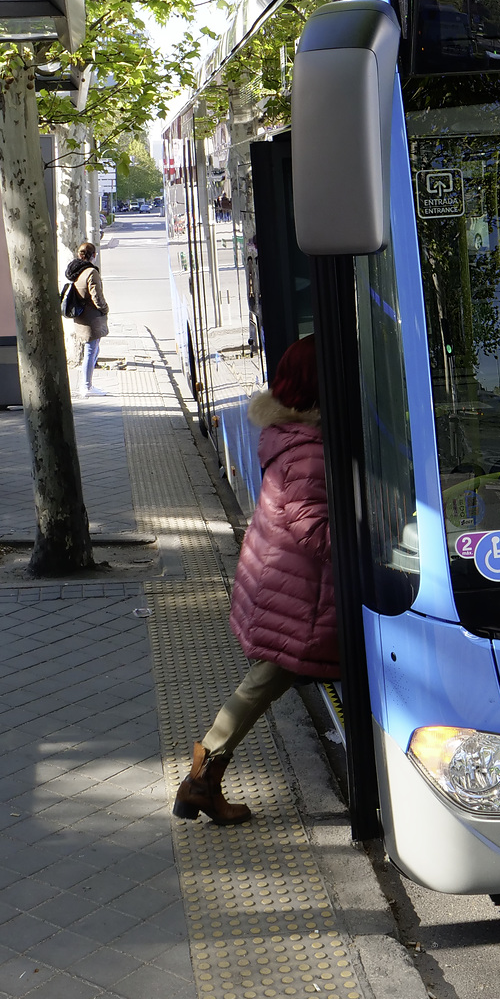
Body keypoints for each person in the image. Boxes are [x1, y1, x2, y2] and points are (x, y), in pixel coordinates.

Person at [173, 336, 335, 825]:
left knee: (264, 682)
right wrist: (375, 540)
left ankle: (203, 779)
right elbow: (314, 527)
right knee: (263, 682)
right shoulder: (308, 449)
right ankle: (201, 779)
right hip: (297, 595)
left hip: (281, 581)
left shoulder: (288, 435)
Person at [61, 243, 110, 397]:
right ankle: (87, 386)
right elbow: (96, 296)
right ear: (93, 255)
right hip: (92, 318)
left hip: (80, 317)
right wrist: (104, 308)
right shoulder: (91, 272)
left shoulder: (76, 271)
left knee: (92, 349)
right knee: (91, 350)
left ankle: (87, 385)